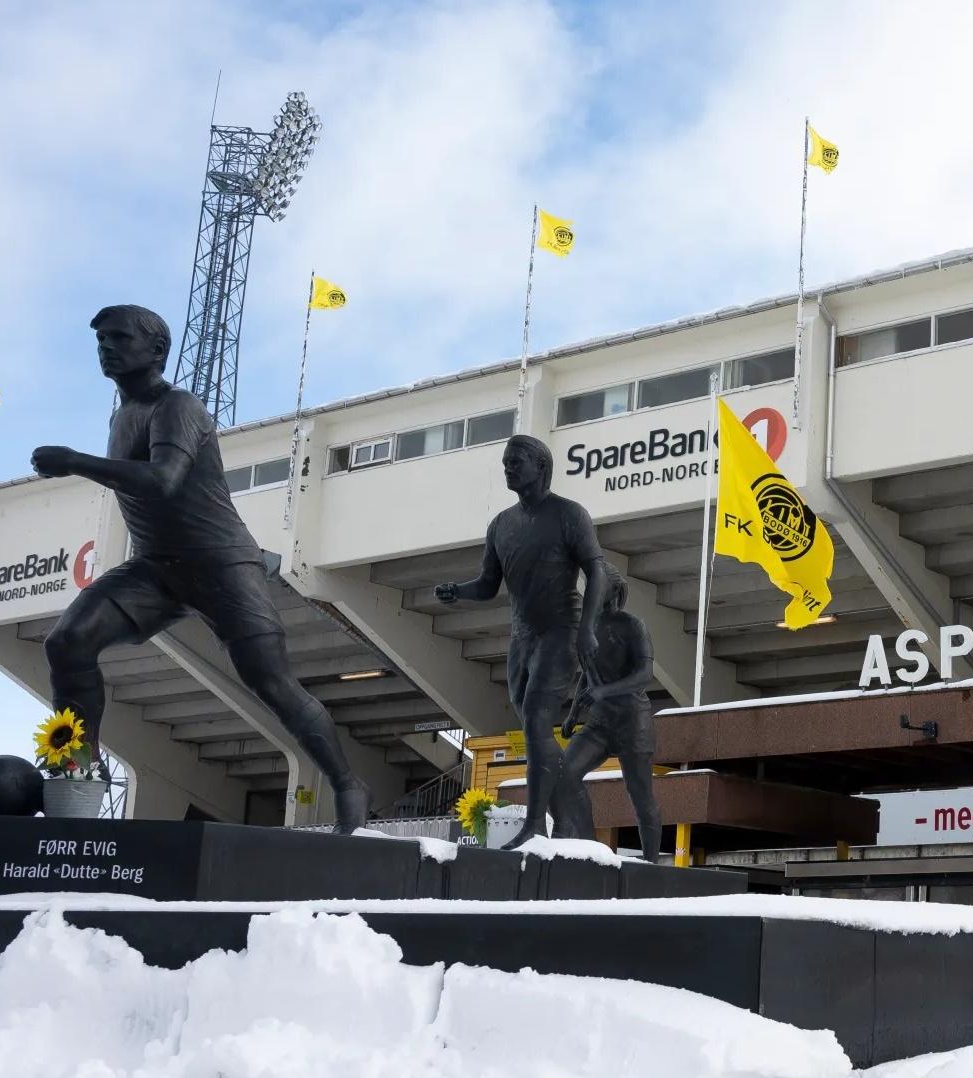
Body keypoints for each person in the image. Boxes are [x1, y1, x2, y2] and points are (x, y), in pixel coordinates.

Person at [34, 304, 369, 829]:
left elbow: (163, 479)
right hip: (156, 568)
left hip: (221, 564)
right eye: (101, 339)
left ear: (157, 350)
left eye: (119, 338)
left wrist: (75, 462)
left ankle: (347, 784)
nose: (106, 347)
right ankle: (77, 771)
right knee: (67, 642)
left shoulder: (178, 406)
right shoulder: (122, 415)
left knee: (272, 682)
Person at [436, 436, 604, 844]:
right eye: (505, 463)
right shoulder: (501, 524)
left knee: (535, 720)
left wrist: (587, 628)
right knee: (535, 730)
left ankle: (535, 826)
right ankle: (572, 818)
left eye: (516, 462)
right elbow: (488, 584)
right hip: (522, 636)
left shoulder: (569, 514)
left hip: (561, 629)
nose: (508, 469)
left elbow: (596, 570)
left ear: (541, 466)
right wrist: (458, 591)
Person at [552, 562, 666, 859]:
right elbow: (587, 673)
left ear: (614, 590)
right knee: (563, 774)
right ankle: (589, 847)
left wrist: (603, 691)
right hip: (600, 723)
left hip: (633, 723)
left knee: (640, 796)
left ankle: (651, 863)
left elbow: (644, 674)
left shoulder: (633, 625)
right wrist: (574, 712)